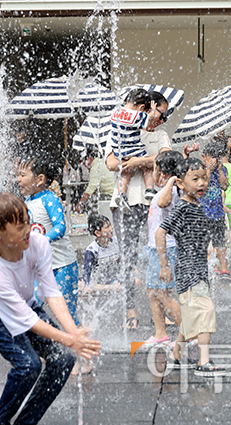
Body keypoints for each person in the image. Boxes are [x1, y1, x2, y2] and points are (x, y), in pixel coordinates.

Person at [0, 192, 101, 424]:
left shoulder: (38, 243)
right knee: (28, 365)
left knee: (63, 359)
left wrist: (74, 332)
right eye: (20, 227)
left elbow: (51, 291)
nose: (28, 230)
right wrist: (69, 340)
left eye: (28, 222)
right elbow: (27, 320)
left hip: (24, 304)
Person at [106, 90, 171, 330]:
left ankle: (162, 307)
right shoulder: (121, 128)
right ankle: (129, 308)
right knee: (128, 257)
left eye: (165, 117)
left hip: (155, 204)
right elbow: (111, 163)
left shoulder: (161, 135)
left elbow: (165, 160)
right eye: (160, 114)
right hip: (126, 204)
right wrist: (143, 161)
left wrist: (135, 161)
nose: (161, 120)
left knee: (160, 253)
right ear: (148, 109)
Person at [156, 157, 227, 376]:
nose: (201, 183)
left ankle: (175, 355)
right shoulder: (183, 207)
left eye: (204, 178)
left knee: (189, 317)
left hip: (198, 269)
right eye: (195, 179)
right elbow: (160, 232)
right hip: (189, 271)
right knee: (206, 310)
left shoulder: (198, 205)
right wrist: (164, 265)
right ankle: (203, 362)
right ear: (180, 183)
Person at [17, 155, 80, 327]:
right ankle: (46, 341)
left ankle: (81, 340)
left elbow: (60, 227)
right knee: (32, 306)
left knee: (67, 312)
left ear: (40, 179)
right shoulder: (27, 202)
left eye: (23, 175)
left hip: (63, 265)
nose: (18, 179)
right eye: (18, 175)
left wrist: (42, 240)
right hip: (40, 268)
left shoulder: (50, 199)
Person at [143, 150, 184, 348]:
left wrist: (172, 180)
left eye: (156, 170)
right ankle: (160, 333)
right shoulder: (169, 188)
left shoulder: (172, 190)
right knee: (152, 291)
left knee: (162, 294)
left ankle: (189, 332)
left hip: (166, 249)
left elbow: (162, 203)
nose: (154, 174)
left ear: (164, 173)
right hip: (156, 248)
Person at [110, 88, 165, 210]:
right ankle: (150, 189)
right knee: (147, 169)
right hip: (134, 149)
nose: (161, 120)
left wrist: (131, 163)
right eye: (161, 115)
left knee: (125, 173)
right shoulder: (136, 115)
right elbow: (147, 120)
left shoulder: (115, 112)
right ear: (141, 108)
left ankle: (121, 194)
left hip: (120, 151)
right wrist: (152, 112)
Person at [200, 141, 230, 279]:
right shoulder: (200, 170)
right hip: (203, 213)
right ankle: (202, 266)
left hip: (217, 212)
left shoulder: (222, 170)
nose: (215, 160)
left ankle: (224, 268)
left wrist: (218, 170)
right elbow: (202, 187)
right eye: (212, 156)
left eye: (217, 157)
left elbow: (225, 186)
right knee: (203, 241)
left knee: (220, 242)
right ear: (204, 157)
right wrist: (208, 170)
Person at [82, 213, 121, 293]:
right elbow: (87, 270)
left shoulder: (117, 242)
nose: (111, 228)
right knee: (85, 285)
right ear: (98, 233)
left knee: (137, 281)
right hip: (101, 281)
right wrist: (86, 284)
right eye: (107, 227)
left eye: (110, 225)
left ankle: (114, 286)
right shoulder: (92, 249)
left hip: (116, 278)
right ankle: (112, 287)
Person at [76, 146, 115, 213]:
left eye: (84, 162)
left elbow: (91, 188)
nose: (84, 164)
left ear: (90, 158)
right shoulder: (102, 161)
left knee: (90, 201)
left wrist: (80, 203)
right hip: (114, 192)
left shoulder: (95, 168)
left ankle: (94, 218)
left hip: (110, 195)